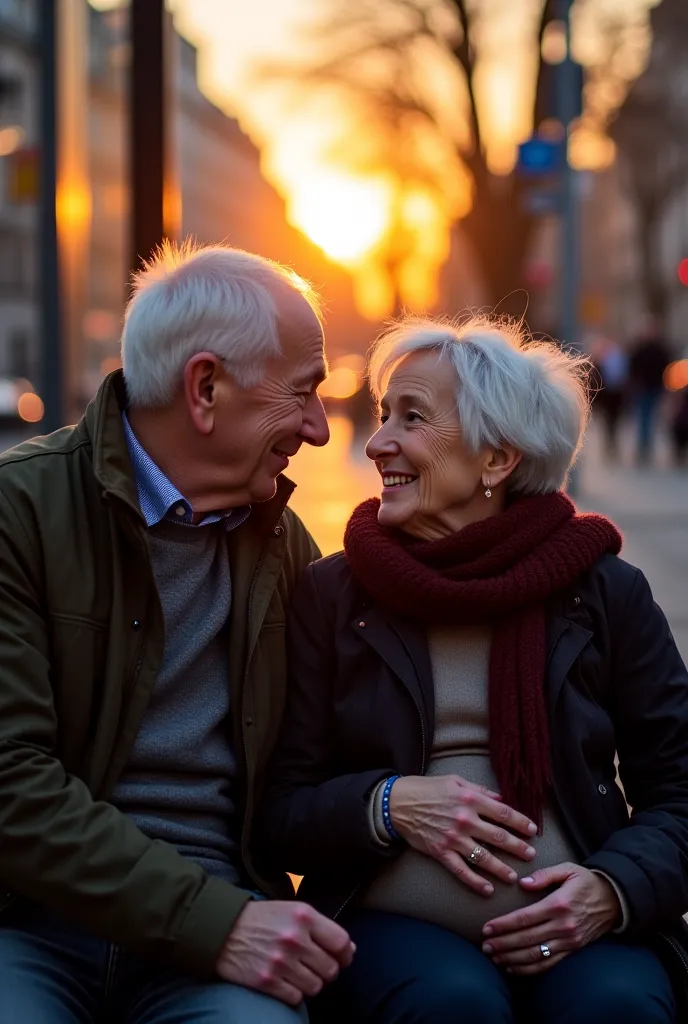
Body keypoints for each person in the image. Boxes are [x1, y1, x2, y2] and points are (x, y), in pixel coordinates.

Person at [256, 315, 688, 1024]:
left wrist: (613, 889)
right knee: (452, 1006)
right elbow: (279, 809)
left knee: (617, 1008)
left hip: (587, 928)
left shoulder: (604, 592)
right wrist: (390, 803)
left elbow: (678, 790)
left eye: (413, 418)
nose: (378, 442)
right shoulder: (332, 595)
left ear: (497, 461)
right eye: (383, 413)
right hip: (392, 928)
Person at [0, 242, 357, 1022]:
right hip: (28, 925)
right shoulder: (18, 514)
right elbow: (9, 784)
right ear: (206, 387)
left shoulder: (287, 550)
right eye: (303, 394)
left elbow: (341, 760)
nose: (321, 429)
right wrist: (216, 925)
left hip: (224, 926)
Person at [628, 322, 671, 464]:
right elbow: (632, 368)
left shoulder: (660, 350)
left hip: (655, 387)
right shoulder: (639, 349)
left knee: (649, 418)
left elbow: (666, 368)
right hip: (643, 388)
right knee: (644, 418)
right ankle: (643, 448)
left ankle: (646, 447)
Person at [588, 334, 629, 458]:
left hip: (616, 395)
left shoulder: (619, 358)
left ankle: (612, 443)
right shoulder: (600, 359)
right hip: (607, 396)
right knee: (608, 422)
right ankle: (610, 444)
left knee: (613, 421)